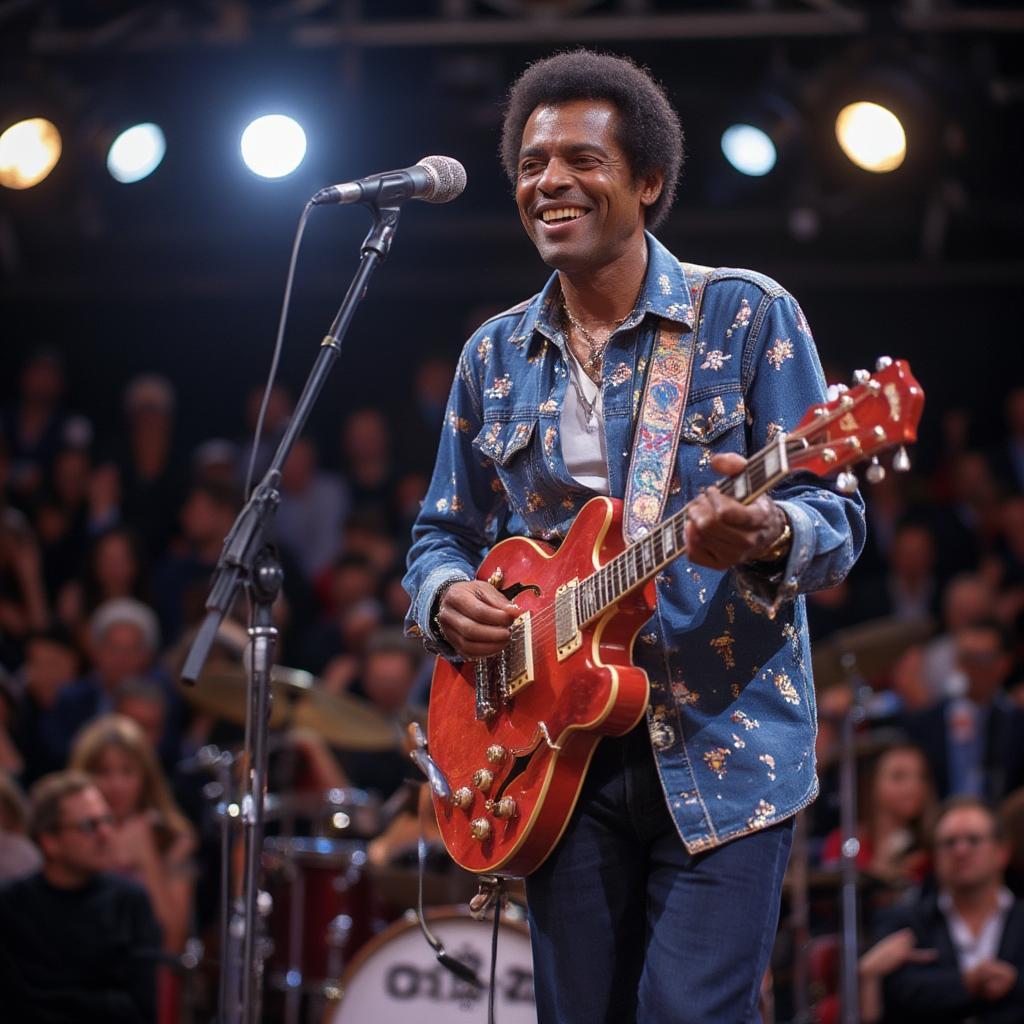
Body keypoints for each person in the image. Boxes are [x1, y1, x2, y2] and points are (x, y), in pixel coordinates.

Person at [403, 50, 865, 1023]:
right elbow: (438, 531)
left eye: (582, 159)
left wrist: (763, 529)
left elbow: (836, 519)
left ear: (648, 182)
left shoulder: (742, 315)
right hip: (549, 749)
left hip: (720, 741)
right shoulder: (492, 352)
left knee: (689, 1012)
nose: (550, 183)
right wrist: (445, 598)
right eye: (531, 165)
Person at [0, 770, 161, 1023]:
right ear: (50, 841)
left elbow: (140, 1009)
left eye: (108, 820)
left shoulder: (129, 901)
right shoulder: (10, 904)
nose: (105, 833)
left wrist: (54, 998)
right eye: (89, 826)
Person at [858, 797, 1024, 1023]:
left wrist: (1013, 984)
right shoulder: (906, 922)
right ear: (934, 856)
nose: (961, 850)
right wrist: (968, 983)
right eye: (949, 843)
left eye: (973, 840)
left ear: (1002, 851)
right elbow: (900, 990)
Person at [69, 714, 196, 955]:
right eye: (103, 772)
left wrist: (145, 855)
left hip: (149, 976)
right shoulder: (68, 834)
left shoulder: (172, 838)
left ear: (145, 778)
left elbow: (171, 943)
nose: (116, 785)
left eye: (127, 772)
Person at [901, 619, 1024, 801]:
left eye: (981, 659)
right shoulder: (924, 723)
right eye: (965, 658)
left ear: (1003, 664)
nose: (970, 669)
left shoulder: (1016, 724)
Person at [821, 742, 935, 887]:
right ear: (872, 784)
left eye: (922, 777)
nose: (913, 786)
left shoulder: (933, 852)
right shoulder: (843, 843)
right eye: (898, 776)